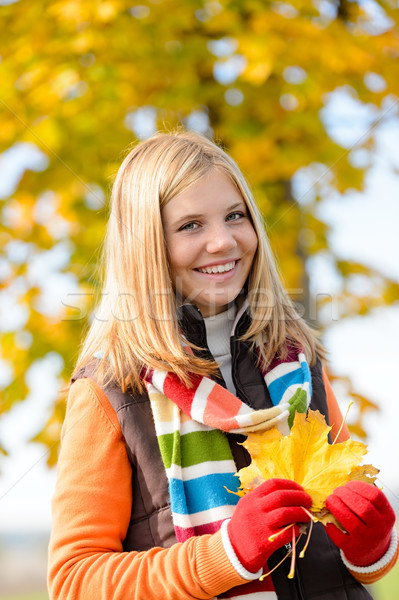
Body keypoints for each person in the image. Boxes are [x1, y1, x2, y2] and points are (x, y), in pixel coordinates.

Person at [48, 131, 397, 600]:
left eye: (235, 216)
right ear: (146, 245)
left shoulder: (295, 361)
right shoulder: (110, 389)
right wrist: (225, 555)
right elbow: (74, 582)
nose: (223, 241)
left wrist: (373, 546)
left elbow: (355, 560)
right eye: (191, 225)